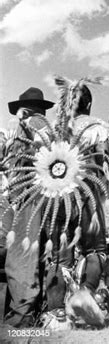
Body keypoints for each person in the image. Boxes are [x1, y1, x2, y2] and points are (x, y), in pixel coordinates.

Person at [43, 81, 109, 329]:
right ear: (89, 104)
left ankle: (55, 315)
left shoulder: (57, 129)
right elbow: (101, 163)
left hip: (57, 196)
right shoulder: (96, 126)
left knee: (59, 257)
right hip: (88, 193)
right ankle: (85, 294)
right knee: (95, 249)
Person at [2, 87, 54, 327]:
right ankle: (32, 312)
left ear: (24, 110)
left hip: (27, 197)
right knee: (37, 255)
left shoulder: (29, 126)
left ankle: (21, 317)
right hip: (45, 198)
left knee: (21, 255)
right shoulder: (48, 128)